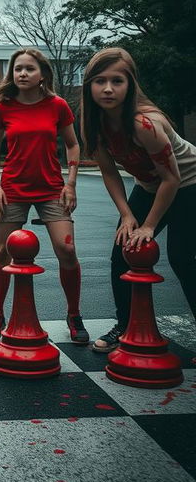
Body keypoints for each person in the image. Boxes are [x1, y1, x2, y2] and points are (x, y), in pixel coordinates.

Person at [80, 47, 196, 352]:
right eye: (99, 80)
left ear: (130, 84)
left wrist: (149, 225)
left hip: (189, 185)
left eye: (117, 81)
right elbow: (109, 173)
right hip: (148, 187)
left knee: (182, 259)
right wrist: (128, 216)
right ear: (88, 84)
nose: (107, 88)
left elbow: (172, 179)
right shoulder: (94, 124)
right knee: (122, 252)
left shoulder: (144, 123)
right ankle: (126, 323)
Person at [0, 47, 88, 344]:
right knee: (3, 252)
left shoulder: (57, 105)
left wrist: (71, 183)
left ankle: (74, 314)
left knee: (66, 250)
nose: (23, 74)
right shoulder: (3, 107)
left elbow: (73, 145)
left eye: (29, 69)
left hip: (52, 188)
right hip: (13, 189)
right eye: (18, 69)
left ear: (43, 74)